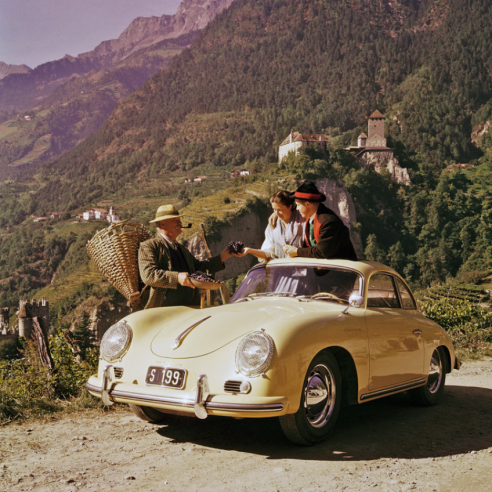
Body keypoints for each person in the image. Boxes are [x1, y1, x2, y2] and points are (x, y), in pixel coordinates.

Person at [138, 204, 236, 309]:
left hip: (191, 309)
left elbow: (199, 267)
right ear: (162, 224)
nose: (180, 222)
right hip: (164, 312)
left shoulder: (181, 249)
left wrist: (223, 256)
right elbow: (148, 275)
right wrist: (177, 277)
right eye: (175, 220)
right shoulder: (149, 246)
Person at [283, 181, 358, 260]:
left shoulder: (328, 222)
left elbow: (322, 251)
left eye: (298, 205)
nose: (297, 208)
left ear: (308, 204)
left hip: (340, 269)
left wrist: (297, 251)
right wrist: (275, 215)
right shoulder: (312, 214)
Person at [239, 190, 305, 260]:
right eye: (274, 209)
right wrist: (249, 250)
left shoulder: (302, 220)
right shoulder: (273, 224)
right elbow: (269, 253)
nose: (277, 213)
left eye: (280, 209)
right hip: (280, 269)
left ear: (290, 206)